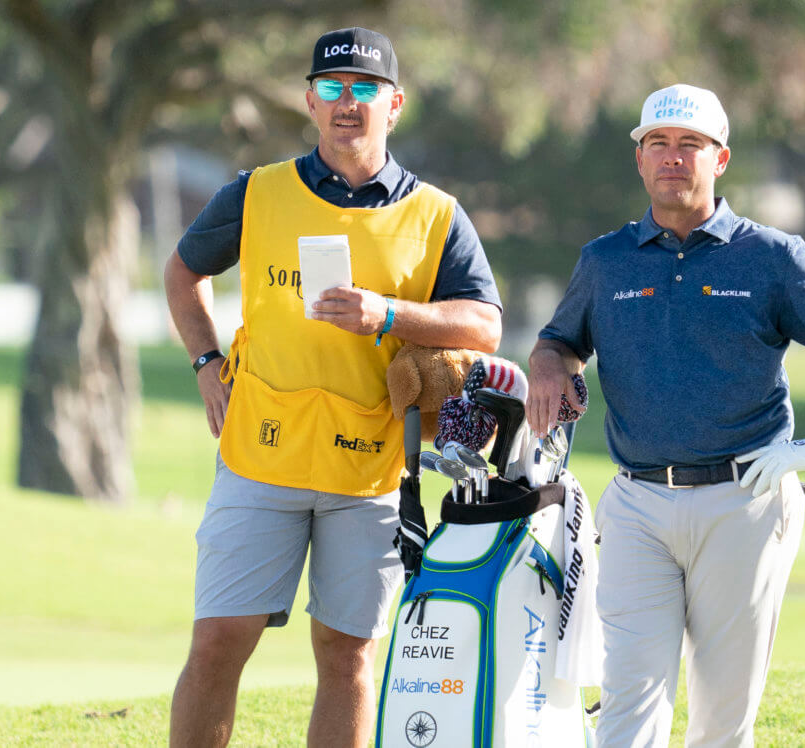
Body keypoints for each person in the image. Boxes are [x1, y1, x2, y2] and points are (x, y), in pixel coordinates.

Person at [163, 27, 502, 747]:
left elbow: (483, 324)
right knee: (219, 641)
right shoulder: (255, 193)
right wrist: (205, 364)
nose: (349, 102)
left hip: (369, 469)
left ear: (395, 103)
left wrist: (390, 312)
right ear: (310, 101)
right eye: (333, 87)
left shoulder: (436, 214)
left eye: (366, 89)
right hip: (260, 455)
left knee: (347, 657)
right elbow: (182, 271)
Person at [526, 83, 805, 747]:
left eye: (690, 144)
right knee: (631, 699)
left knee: (722, 716)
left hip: (745, 501)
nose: (672, 157)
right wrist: (548, 366)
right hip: (636, 504)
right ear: (639, 159)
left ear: (720, 160)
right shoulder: (605, 260)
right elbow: (559, 342)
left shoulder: (772, 256)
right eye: (657, 143)